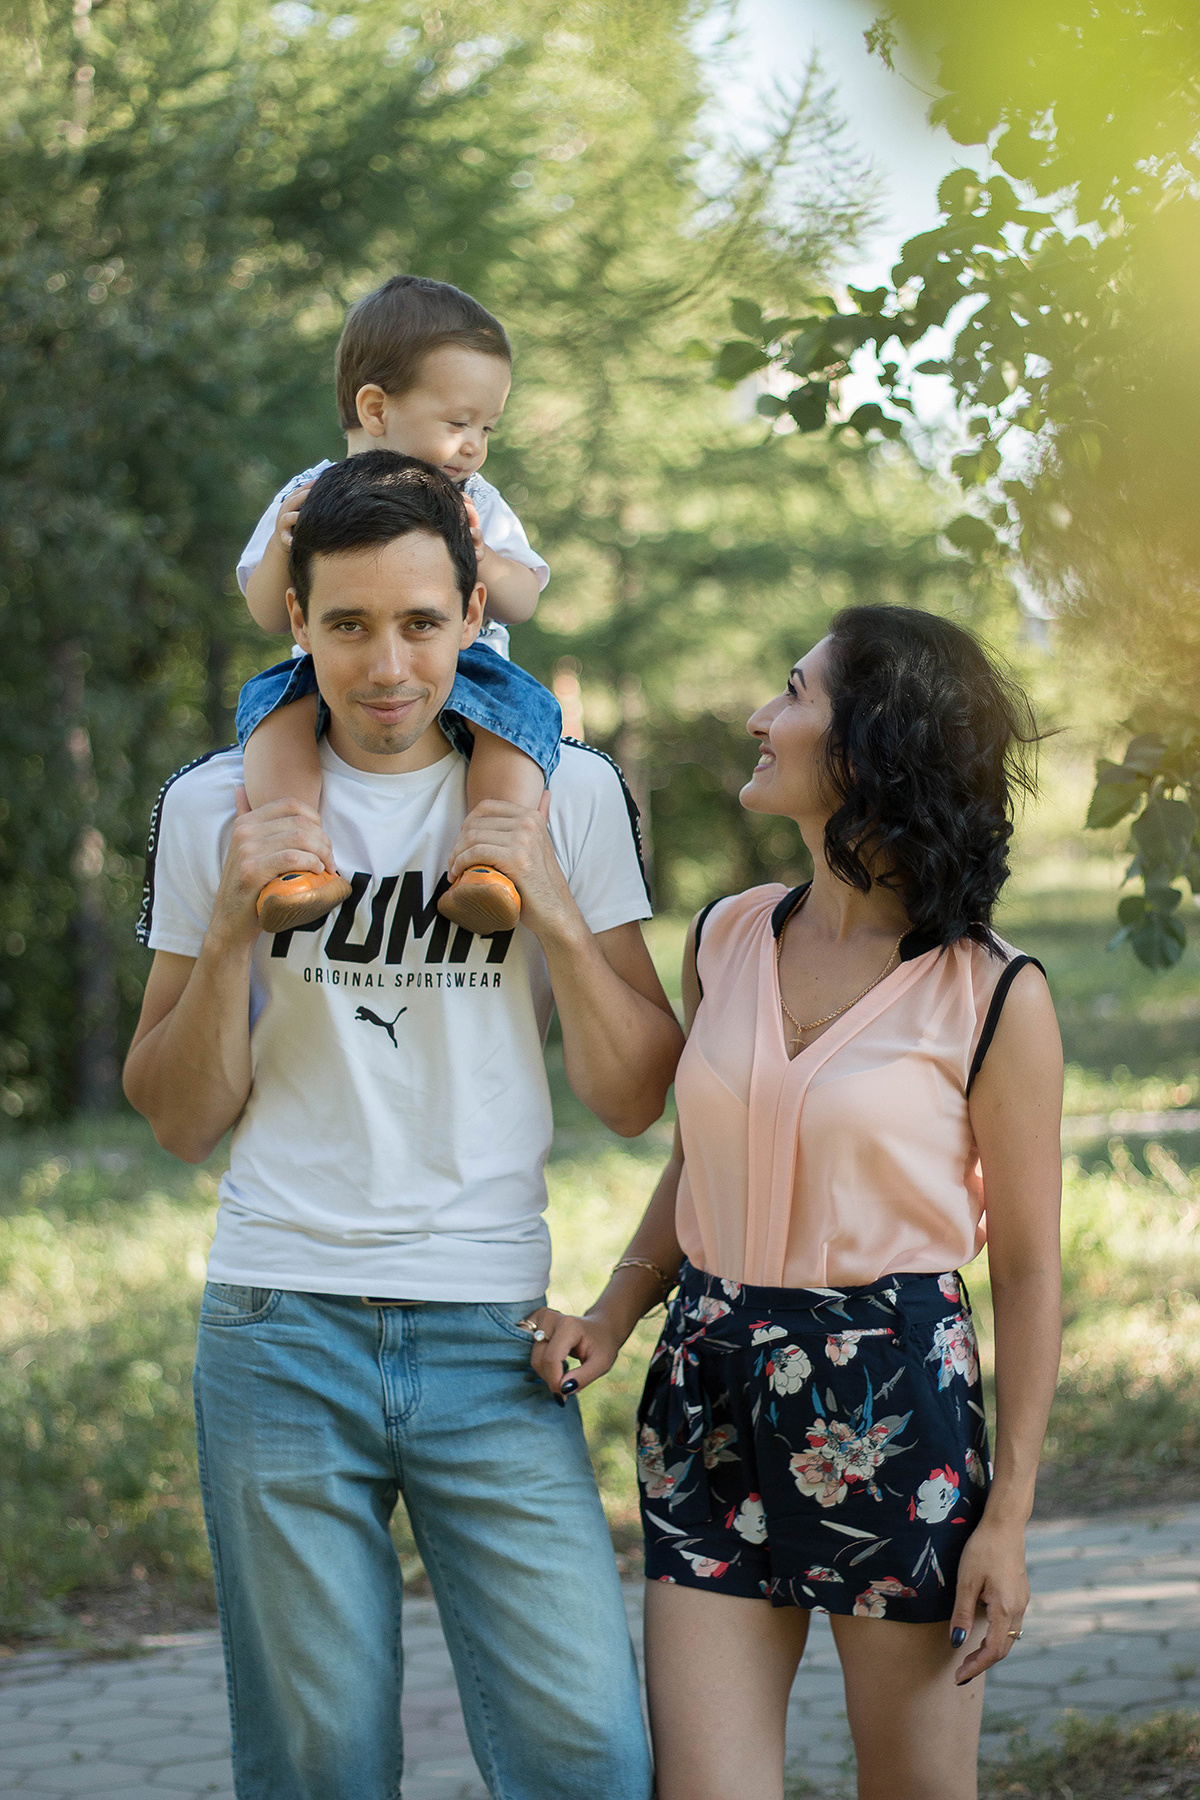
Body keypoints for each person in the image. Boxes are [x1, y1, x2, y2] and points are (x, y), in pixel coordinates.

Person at [123, 452, 682, 1800]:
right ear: (296, 624)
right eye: (348, 626)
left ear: (475, 611)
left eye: (423, 624)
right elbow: (180, 1117)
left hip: (489, 1336)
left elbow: (630, 1094)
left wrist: (544, 898)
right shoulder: (218, 806)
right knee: (319, 1764)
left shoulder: (567, 792)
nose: (386, 666)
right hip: (279, 1330)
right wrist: (221, 929)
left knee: (589, 1757)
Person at [521, 606, 1064, 1800]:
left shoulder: (993, 993)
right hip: (706, 1384)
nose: (763, 717)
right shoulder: (727, 936)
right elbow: (698, 1159)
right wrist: (614, 1319)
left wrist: (1009, 1518)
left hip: (894, 1403)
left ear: (870, 745)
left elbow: (1026, 1270)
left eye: (794, 691)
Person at [236, 273, 560, 939]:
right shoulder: (308, 495)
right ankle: (294, 861)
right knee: (269, 715)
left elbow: (522, 601)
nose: (474, 444)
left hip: (466, 668)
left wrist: (486, 555)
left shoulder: (478, 500)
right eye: (458, 422)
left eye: (486, 427)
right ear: (377, 410)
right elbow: (270, 614)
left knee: (522, 721)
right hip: (333, 670)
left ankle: (489, 866)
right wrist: (279, 547)